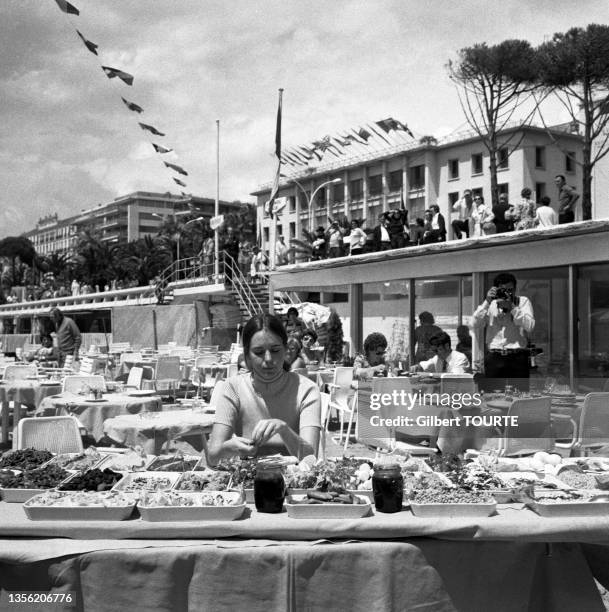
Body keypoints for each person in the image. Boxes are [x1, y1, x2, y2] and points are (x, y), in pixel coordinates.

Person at [208, 313, 321, 462]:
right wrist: (229, 447)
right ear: (247, 356)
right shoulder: (233, 388)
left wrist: (284, 430)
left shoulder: (307, 390)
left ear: (286, 350)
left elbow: (310, 458)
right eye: (259, 352)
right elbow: (213, 456)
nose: (268, 359)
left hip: (292, 481)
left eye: (275, 350)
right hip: (247, 480)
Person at [472, 272, 535, 392]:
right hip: (494, 357)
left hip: (517, 357)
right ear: (495, 290)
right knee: (491, 395)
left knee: (519, 395)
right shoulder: (490, 305)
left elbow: (530, 326)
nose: (507, 293)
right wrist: (487, 301)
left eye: (510, 290)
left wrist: (513, 308)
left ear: (516, 289)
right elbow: (475, 324)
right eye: (503, 290)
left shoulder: (522, 302)